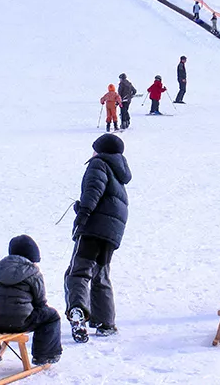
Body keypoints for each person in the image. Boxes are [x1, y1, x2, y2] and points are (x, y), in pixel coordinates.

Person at [66, 134, 132, 343]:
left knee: (78, 273)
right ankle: (106, 323)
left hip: (93, 229)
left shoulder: (99, 164)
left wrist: (83, 212)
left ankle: (77, 311)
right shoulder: (118, 172)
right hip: (110, 233)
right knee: (100, 275)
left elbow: (94, 189)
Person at [0, 235, 62, 365]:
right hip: (20, 322)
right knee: (51, 316)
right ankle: (43, 355)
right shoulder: (33, 272)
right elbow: (40, 302)